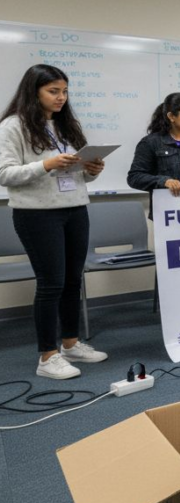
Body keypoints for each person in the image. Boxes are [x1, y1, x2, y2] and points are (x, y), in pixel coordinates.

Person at [0, 64, 108, 379]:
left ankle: (70, 344)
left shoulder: (66, 125)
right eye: (53, 91)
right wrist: (44, 164)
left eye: (64, 91)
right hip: (36, 214)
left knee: (74, 279)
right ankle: (47, 357)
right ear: (34, 91)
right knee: (51, 284)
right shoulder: (13, 126)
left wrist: (91, 170)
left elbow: (75, 175)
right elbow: (5, 174)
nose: (61, 97)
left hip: (75, 208)